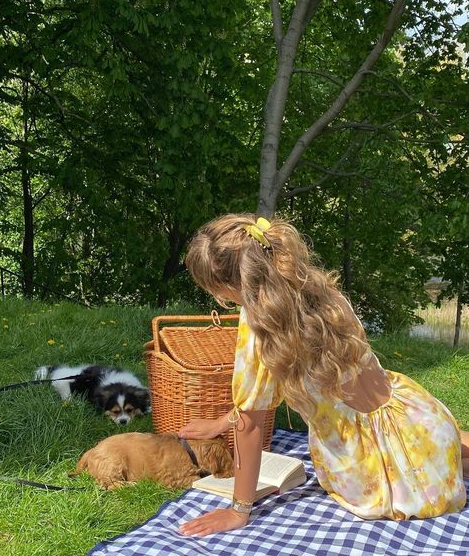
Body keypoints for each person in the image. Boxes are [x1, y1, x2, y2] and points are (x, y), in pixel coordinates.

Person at [172, 214, 468, 537]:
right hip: (423, 426)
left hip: (370, 467)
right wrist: (222, 422)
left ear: (228, 286)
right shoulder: (317, 287)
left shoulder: (259, 327)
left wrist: (238, 510)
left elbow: (251, 425)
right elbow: (253, 405)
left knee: (409, 476)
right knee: (448, 456)